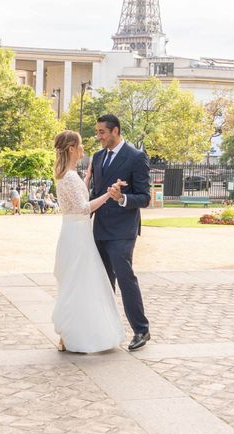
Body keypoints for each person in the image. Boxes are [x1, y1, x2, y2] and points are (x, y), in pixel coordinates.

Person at [52, 130, 124, 353]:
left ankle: (69, 333)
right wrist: (109, 194)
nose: (83, 148)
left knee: (75, 281)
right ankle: (76, 334)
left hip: (72, 231)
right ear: (72, 148)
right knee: (82, 282)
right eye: (80, 145)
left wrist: (89, 175)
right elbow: (83, 207)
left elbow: (77, 196)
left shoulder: (66, 174)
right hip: (79, 234)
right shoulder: (70, 176)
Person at [91, 114, 151, 351]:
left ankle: (141, 330)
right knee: (103, 282)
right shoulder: (97, 158)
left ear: (115, 131)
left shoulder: (136, 157)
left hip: (122, 231)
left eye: (102, 132)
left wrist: (123, 197)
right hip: (99, 230)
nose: (98, 137)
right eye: (97, 132)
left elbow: (145, 197)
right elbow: (96, 192)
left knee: (125, 279)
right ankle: (106, 331)